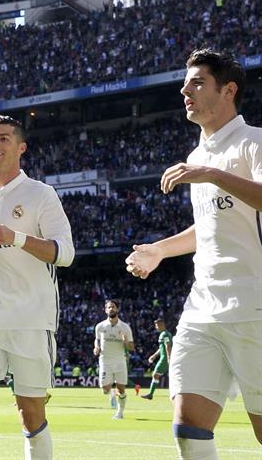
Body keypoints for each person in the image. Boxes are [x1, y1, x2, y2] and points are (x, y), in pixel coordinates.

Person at [126, 48, 262, 457]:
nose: (185, 89)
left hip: (252, 307)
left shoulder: (253, 142)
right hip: (203, 308)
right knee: (188, 428)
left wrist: (212, 174)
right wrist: (159, 251)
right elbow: (209, 228)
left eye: (198, 82)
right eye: (186, 83)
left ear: (228, 90)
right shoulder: (198, 157)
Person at [0, 113, 75, 460]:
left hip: (32, 320)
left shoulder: (41, 194)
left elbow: (64, 253)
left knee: (31, 413)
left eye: (4, 138)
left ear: (21, 147)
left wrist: (16, 237)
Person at [93, 299, 134, 419]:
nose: (111, 309)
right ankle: (111, 393)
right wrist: (96, 347)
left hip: (120, 360)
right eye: (109, 307)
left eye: (113, 307)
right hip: (105, 360)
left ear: (117, 309)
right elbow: (97, 339)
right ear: (105, 310)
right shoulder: (100, 326)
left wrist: (125, 340)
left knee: (121, 388)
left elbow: (131, 347)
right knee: (105, 389)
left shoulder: (125, 327)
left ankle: (120, 412)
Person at [141, 318, 172, 400]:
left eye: (157, 325)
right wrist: (154, 356)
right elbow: (162, 347)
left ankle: (150, 394)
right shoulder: (164, 334)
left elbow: (167, 346)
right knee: (158, 375)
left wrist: (169, 358)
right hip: (164, 358)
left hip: (165, 359)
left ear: (162, 324)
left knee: (155, 375)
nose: (156, 327)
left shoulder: (164, 334)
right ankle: (151, 394)